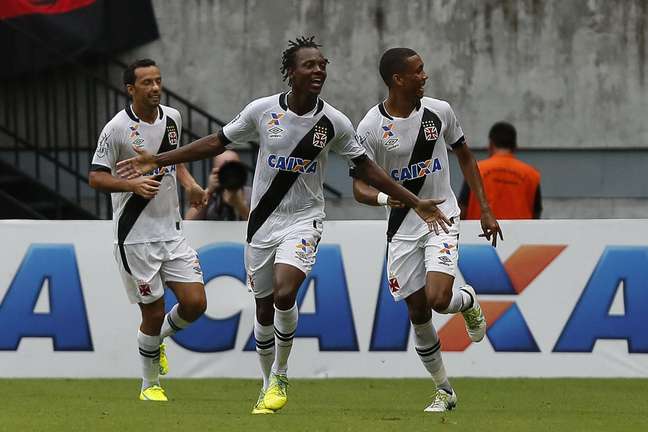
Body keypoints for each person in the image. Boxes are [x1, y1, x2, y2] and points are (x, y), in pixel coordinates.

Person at [116, 37, 450, 415]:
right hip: (262, 223)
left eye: (322, 64)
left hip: (305, 220)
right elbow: (215, 142)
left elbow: (367, 168)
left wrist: (411, 199)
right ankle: (265, 384)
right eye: (309, 65)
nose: (319, 70)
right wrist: (159, 160)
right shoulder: (262, 111)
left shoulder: (334, 122)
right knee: (262, 310)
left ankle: (281, 373)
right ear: (290, 73)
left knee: (283, 293)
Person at [351, 48, 503, 412]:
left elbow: (465, 155)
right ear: (398, 80)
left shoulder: (440, 111)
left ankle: (465, 301)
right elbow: (359, 187)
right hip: (403, 227)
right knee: (418, 314)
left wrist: (484, 208)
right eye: (418, 71)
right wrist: (388, 202)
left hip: (443, 216)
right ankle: (444, 391)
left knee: (438, 299)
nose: (425, 76)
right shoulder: (371, 126)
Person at [88, 59, 208, 402]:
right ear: (131, 89)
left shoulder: (173, 118)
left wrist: (191, 186)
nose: (155, 88)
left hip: (171, 230)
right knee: (152, 312)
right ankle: (149, 385)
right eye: (147, 83)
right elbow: (96, 176)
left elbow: (173, 157)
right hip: (135, 236)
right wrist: (132, 186)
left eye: (158, 81)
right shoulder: (116, 129)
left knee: (196, 303)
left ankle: (158, 341)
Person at [458, 121, 542, 219]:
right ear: (515, 146)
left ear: (491, 144)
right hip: (520, 233)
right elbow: (536, 214)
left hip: (480, 232)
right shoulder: (531, 174)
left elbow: (462, 209)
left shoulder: (475, 170)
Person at [185, 149, 251, 221]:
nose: (229, 175)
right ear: (214, 172)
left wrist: (239, 205)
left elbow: (259, 223)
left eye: (232, 169)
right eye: (223, 170)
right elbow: (189, 221)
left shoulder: (251, 194)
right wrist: (209, 192)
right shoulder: (210, 195)